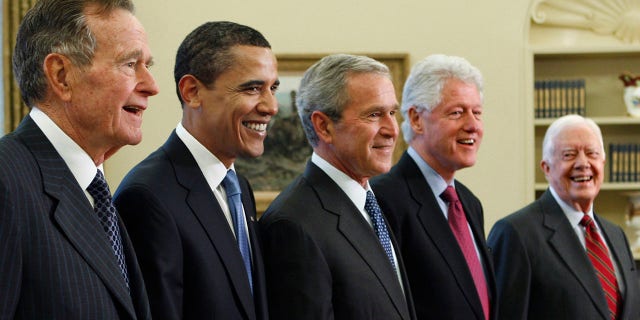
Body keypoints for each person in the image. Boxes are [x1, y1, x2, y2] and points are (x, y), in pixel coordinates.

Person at [0, 0, 159, 318]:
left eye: (147, 66)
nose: (151, 86)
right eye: (129, 64)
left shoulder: (95, 191)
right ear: (61, 76)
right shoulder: (7, 180)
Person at [113, 21, 278, 320]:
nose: (271, 106)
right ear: (192, 92)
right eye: (253, 88)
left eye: (272, 88)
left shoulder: (238, 186)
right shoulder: (148, 197)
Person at [259, 53, 416, 320]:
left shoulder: (371, 203)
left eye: (392, 112)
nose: (392, 129)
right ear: (324, 126)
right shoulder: (293, 225)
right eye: (374, 114)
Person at [371, 54, 497, 320]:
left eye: (477, 112)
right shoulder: (383, 199)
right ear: (416, 119)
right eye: (457, 112)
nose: (473, 125)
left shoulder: (469, 203)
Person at [487, 114, 640, 319]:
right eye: (569, 155)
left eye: (591, 153)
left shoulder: (616, 235)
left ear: (603, 162)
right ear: (546, 168)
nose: (583, 163)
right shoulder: (516, 233)